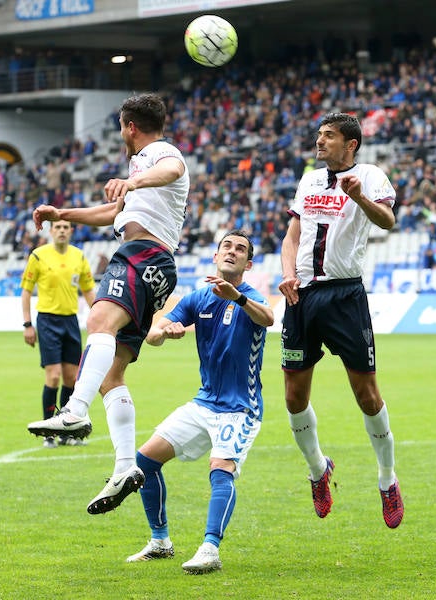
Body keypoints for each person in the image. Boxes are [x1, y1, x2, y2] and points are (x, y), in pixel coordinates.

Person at [26, 92, 189, 515]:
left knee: (98, 321)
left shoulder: (158, 154)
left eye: (121, 126)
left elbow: (173, 168)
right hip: (156, 263)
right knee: (110, 375)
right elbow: (110, 211)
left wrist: (134, 180)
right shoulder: (141, 172)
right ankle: (123, 467)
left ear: (130, 126)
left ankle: (74, 411)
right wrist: (63, 212)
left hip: (143, 255)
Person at [278, 112, 404, 528]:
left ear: (350, 144)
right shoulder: (310, 180)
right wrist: (287, 273)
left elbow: (388, 220)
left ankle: (387, 480)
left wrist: (358, 197)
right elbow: (292, 235)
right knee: (293, 399)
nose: (320, 141)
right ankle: (318, 470)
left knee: (367, 396)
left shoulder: (370, 175)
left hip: (345, 295)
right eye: (319, 135)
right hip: (302, 296)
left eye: (329, 136)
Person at [125, 231, 273, 574]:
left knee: (221, 470)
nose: (232, 252)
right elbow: (154, 334)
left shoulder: (249, 296)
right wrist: (165, 332)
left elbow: (268, 318)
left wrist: (236, 297)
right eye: (227, 246)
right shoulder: (199, 297)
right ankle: (160, 541)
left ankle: (210, 548)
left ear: (248, 264)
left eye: (240, 250)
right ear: (215, 256)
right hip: (204, 403)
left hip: (241, 408)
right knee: (144, 461)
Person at [20, 220, 96, 448]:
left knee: (71, 378)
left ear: (71, 231)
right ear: (51, 231)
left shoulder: (79, 257)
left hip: (70, 321)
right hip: (47, 320)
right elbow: (26, 291)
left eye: (66, 227)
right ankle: (48, 432)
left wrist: (103, 318)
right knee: (53, 376)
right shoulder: (38, 256)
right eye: (58, 227)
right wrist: (27, 324)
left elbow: (89, 291)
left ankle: (65, 432)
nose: (62, 230)